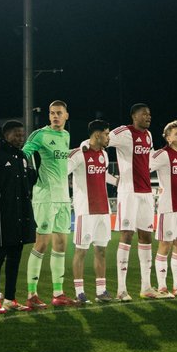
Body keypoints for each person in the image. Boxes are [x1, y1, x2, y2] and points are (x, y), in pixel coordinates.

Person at [23, 100, 77, 308]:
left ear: (66, 115)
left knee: (61, 244)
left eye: (59, 113)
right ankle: (31, 294)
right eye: (52, 113)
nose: (55, 116)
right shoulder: (39, 135)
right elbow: (24, 154)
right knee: (42, 243)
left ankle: (58, 293)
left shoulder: (66, 136)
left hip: (63, 198)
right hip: (45, 197)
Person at [0, 121, 37, 311]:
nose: (20, 139)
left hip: (20, 215)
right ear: (6, 135)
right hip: (1, 215)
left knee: (15, 258)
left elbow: (27, 185)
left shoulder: (21, 157)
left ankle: (10, 299)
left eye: (22, 135)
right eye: (16, 135)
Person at [106, 104, 154, 303]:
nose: (148, 117)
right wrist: (113, 179)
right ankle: (121, 289)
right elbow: (102, 139)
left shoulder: (149, 135)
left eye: (149, 114)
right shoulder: (124, 132)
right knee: (127, 235)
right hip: (129, 192)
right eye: (144, 114)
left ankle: (146, 287)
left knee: (146, 236)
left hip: (146, 192)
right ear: (133, 116)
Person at [68, 120, 116, 303]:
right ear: (97, 135)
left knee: (101, 251)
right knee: (81, 251)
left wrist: (118, 182)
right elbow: (62, 171)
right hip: (86, 211)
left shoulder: (103, 154)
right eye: (106, 133)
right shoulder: (79, 154)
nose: (108, 137)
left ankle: (101, 291)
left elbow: (103, 175)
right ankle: (79, 292)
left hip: (104, 211)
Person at [150, 120, 177, 299]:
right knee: (165, 244)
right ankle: (161, 286)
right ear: (168, 138)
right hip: (167, 207)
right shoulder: (161, 155)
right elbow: (142, 168)